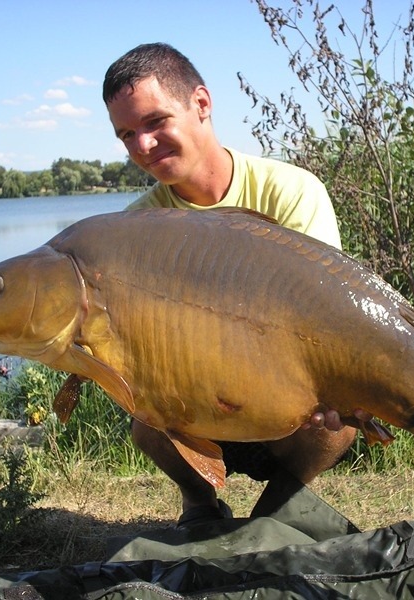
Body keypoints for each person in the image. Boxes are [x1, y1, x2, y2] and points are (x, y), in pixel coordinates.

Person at [102, 42, 359, 526]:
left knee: (338, 424)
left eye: (155, 122)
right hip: (196, 407)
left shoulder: (291, 191)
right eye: (127, 134)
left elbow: (322, 322)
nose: (142, 146)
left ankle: (279, 508)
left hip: (288, 405)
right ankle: (200, 505)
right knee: (145, 418)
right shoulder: (135, 229)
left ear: (201, 104)